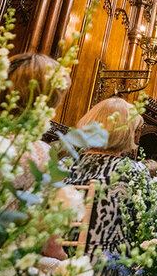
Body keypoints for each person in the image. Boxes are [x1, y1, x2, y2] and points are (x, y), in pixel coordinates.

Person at [63, 97, 148, 259]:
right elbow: (144, 223)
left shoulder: (64, 166)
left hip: (62, 263)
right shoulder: (133, 171)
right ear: (126, 132)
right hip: (111, 266)